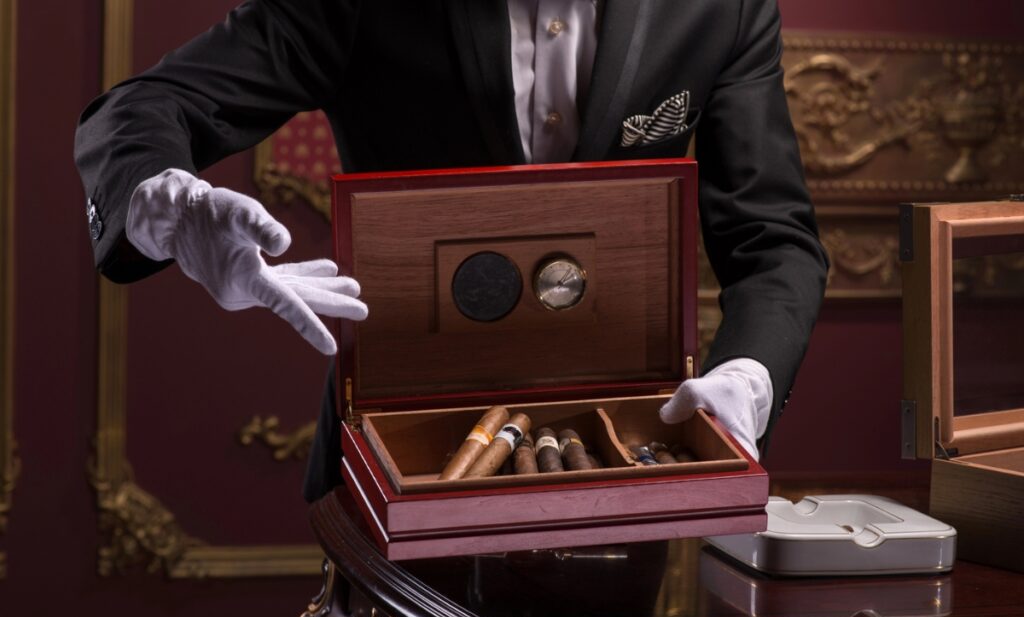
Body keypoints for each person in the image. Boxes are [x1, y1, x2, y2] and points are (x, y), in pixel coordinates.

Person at [75, 0, 829, 501]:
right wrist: (164, 204)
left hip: (622, 468)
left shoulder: (719, 7)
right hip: (391, 456)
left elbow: (773, 241)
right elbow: (143, 106)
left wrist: (747, 378)